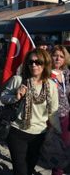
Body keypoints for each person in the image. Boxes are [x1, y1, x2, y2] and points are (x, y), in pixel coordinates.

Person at [0, 48, 61, 175]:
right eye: (31, 62)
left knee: (29, 168)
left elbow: (53, 112)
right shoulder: (18, 80)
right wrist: (16, 97)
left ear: (45, 64)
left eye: (38, 62)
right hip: (17, 132)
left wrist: (58, 132)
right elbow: (3, 98)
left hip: (39, 134)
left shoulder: (51, 85)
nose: (34, 65)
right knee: (20, 170)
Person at [50, 45, 70, 175]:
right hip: (52, 117)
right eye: (55, 55)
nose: (58, 58)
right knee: (56, 150)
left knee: (66, 147)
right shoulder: (45, 72)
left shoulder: (67, 73)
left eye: (61, 56)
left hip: (66, 116)